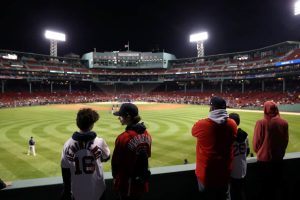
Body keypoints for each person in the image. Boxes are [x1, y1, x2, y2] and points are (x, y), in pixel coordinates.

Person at [191, 96, 237, 200]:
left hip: (206, 174)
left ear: (212, 108)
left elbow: (193, 131)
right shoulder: (232, 124)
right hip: (224, 173)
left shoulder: (202, 124)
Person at [60, 108, 110, 200]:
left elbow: (65, 171)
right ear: (92, 125)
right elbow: (106, 157)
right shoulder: (99, 142)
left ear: (77, 123)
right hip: (98, 190)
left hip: (77, 192)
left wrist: (66, 191)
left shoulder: (67, 144)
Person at [112, 103, 152, 200]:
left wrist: (115, 178)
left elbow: (116, 163)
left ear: (128, 117)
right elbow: (147, 155)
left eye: (120, 116)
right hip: (141, 183)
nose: (119, 118)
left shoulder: (123, 138)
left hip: (127, 185)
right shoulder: (147, 135)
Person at [253, 101, 288, 200]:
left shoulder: (261, 123)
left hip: (264, 162)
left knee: (263, 189)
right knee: (276, 188)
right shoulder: (284, 122)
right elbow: (285, 141)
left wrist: (260, 152)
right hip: (279, 161)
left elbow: (256, 143)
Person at [228, 113, 250, 200]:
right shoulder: (245, 135)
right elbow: (247, 151)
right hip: (243, 169)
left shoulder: (228, 136)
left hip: (232, 171)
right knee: (241, 192)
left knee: (233, 194)